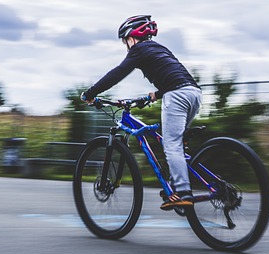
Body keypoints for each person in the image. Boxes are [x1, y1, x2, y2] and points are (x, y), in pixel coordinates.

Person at [81, 15, 202, 210]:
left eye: (125, 40)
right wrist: (155, 94)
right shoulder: (159, 48)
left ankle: (183, 192)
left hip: (177, 96)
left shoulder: (138, 50)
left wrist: (91, 93)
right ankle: (176, 181)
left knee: (171, 146)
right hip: (194, 93)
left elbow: (118, 73)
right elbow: (174, 74)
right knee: (176, 142)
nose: (126, 45)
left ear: (131, 37)